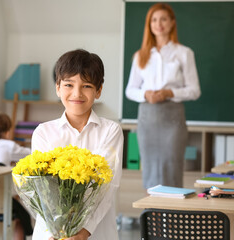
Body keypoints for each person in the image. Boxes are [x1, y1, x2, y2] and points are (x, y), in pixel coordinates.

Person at [31, 49, 123, 240]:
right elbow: (41, 190)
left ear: (98, 90)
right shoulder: (43, 132)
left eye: (87, 86)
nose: (76, 93)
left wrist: (83, 232)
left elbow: (107, 186)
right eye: (68, 84)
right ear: (57, 88)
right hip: (50, 235)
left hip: (96, 233)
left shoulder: (110, 131)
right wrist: (53, 232)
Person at [125, 3, 201, 189]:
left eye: (163, 19)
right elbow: (130, 90)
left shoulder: (184, 53)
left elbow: (194, 90)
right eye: (154, 20)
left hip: (172, 118)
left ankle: (172, 217)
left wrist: (170, 92)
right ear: (149, 24)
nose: (159, 24)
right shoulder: (140, 56)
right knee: (150, 170)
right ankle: (151, 216)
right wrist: (145, 94)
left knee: (171, 169)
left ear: (172, 23)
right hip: (147, 118)